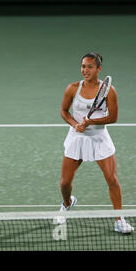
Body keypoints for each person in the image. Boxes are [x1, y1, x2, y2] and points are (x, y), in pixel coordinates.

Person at [58, 52, 133, 233]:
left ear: (99, 69)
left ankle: (119, 219)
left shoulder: (109, 91)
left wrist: (91, 122)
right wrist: (76, 124)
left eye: (90, 67)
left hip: (99, 138)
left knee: (112, 180)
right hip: (77, 138)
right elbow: (63, 111)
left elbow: (113, 117)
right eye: (83, 66)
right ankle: (67, 203)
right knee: (64, 183)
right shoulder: (72, 88)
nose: (85, 70)